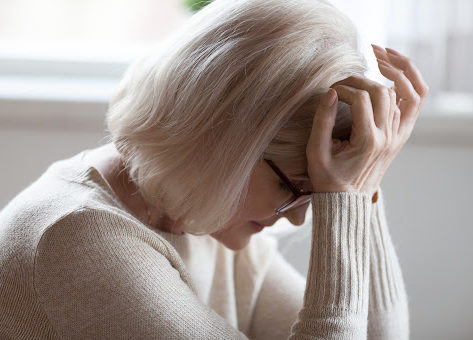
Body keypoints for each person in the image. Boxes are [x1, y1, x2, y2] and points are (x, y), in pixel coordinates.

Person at [0, 0, 429, 338]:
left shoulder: (201, 209)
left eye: (315, 193)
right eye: (294, 187)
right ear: (227, 145)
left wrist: (363, 186)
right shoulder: (79, 240)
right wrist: (344, 199)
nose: (299, 216)